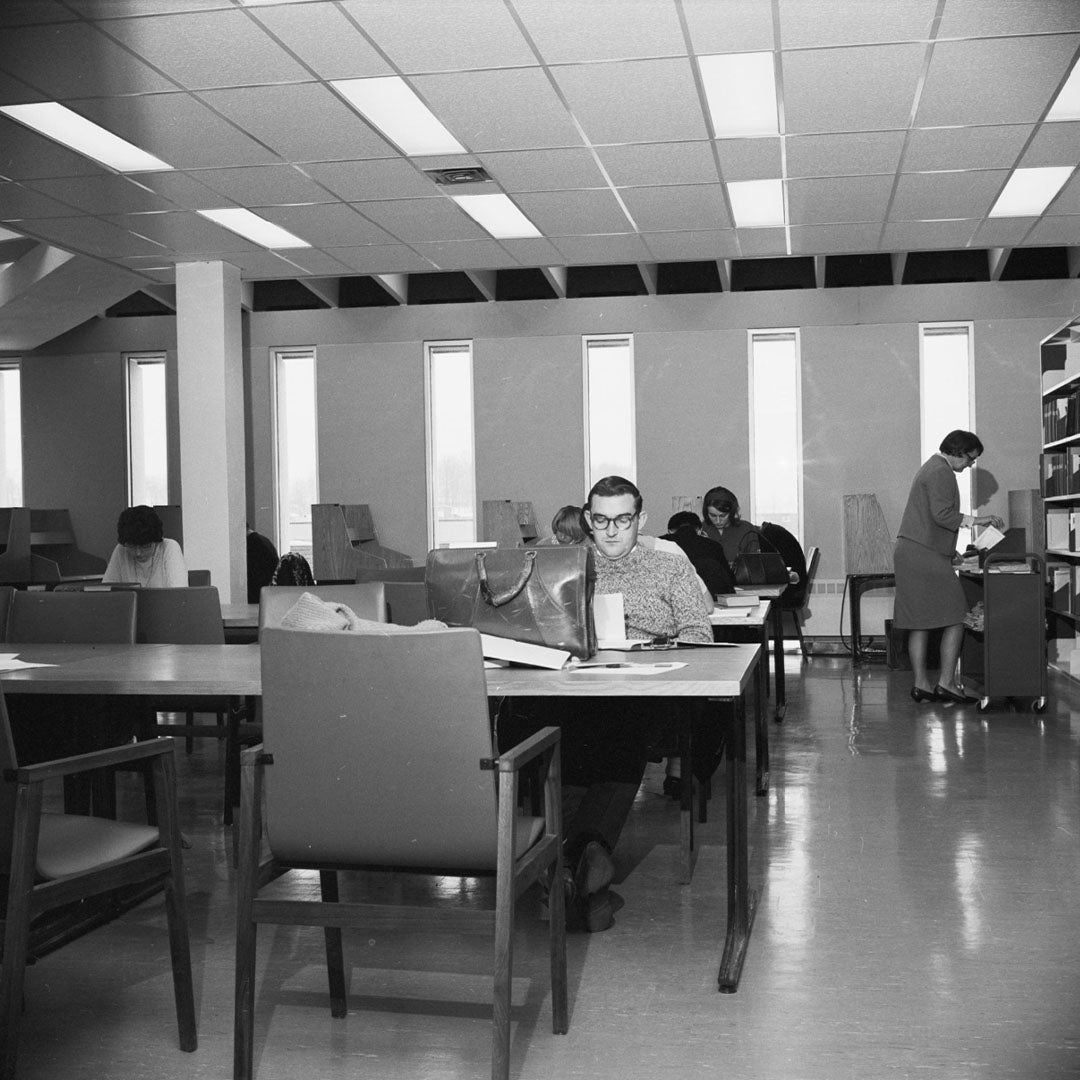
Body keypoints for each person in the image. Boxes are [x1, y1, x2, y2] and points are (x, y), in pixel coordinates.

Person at [501, 476, 711, 932]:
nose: (612, 530)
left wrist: (658, 649)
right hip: (576, 689)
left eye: (623, 519)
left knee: (616, 726)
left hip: (645, 692)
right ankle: (581, 860)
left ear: (641, 519)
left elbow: (699, 633)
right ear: (588, 520)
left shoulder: (667, 566)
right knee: (549, 722)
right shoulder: (564, 567)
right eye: (601, 520)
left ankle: (573, 861)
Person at [894, 430, 1004, 704]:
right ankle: (946, 683)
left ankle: (922, 684)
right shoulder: (941, 472)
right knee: (956, 616)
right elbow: (942, 515)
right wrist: (979, 520)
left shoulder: (931, 468)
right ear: (958, 451)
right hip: (923, 555)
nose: (969, 465)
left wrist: (949, 552)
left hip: (915, 551)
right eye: (970, 459)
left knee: (919, 622)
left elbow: (927, 519)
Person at [102, 505, 187, 587]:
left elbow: (179, 594)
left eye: (145, 546)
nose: (138, 553)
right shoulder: (121, 549)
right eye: (132, 546)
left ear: (156, 541)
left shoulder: (169, 548)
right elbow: (107, 592)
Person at [662, 510, 737, 596]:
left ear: (670, 531)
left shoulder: (659, 544)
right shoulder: (713, 546)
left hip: (672, 598)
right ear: (699, 530)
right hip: (711, 600)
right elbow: (730, 580)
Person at [700, 486, 760, 565]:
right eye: (713, 515)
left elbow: (754, 565)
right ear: (706, 513)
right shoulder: (700, 530)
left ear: (732, 513)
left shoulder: (746, 529)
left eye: (723, 516)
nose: (718, 521)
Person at [246, 524, 279, 603]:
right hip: (269, 589)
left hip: (258, 592)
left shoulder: (252, 543)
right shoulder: (264, 540)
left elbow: (253, 573)